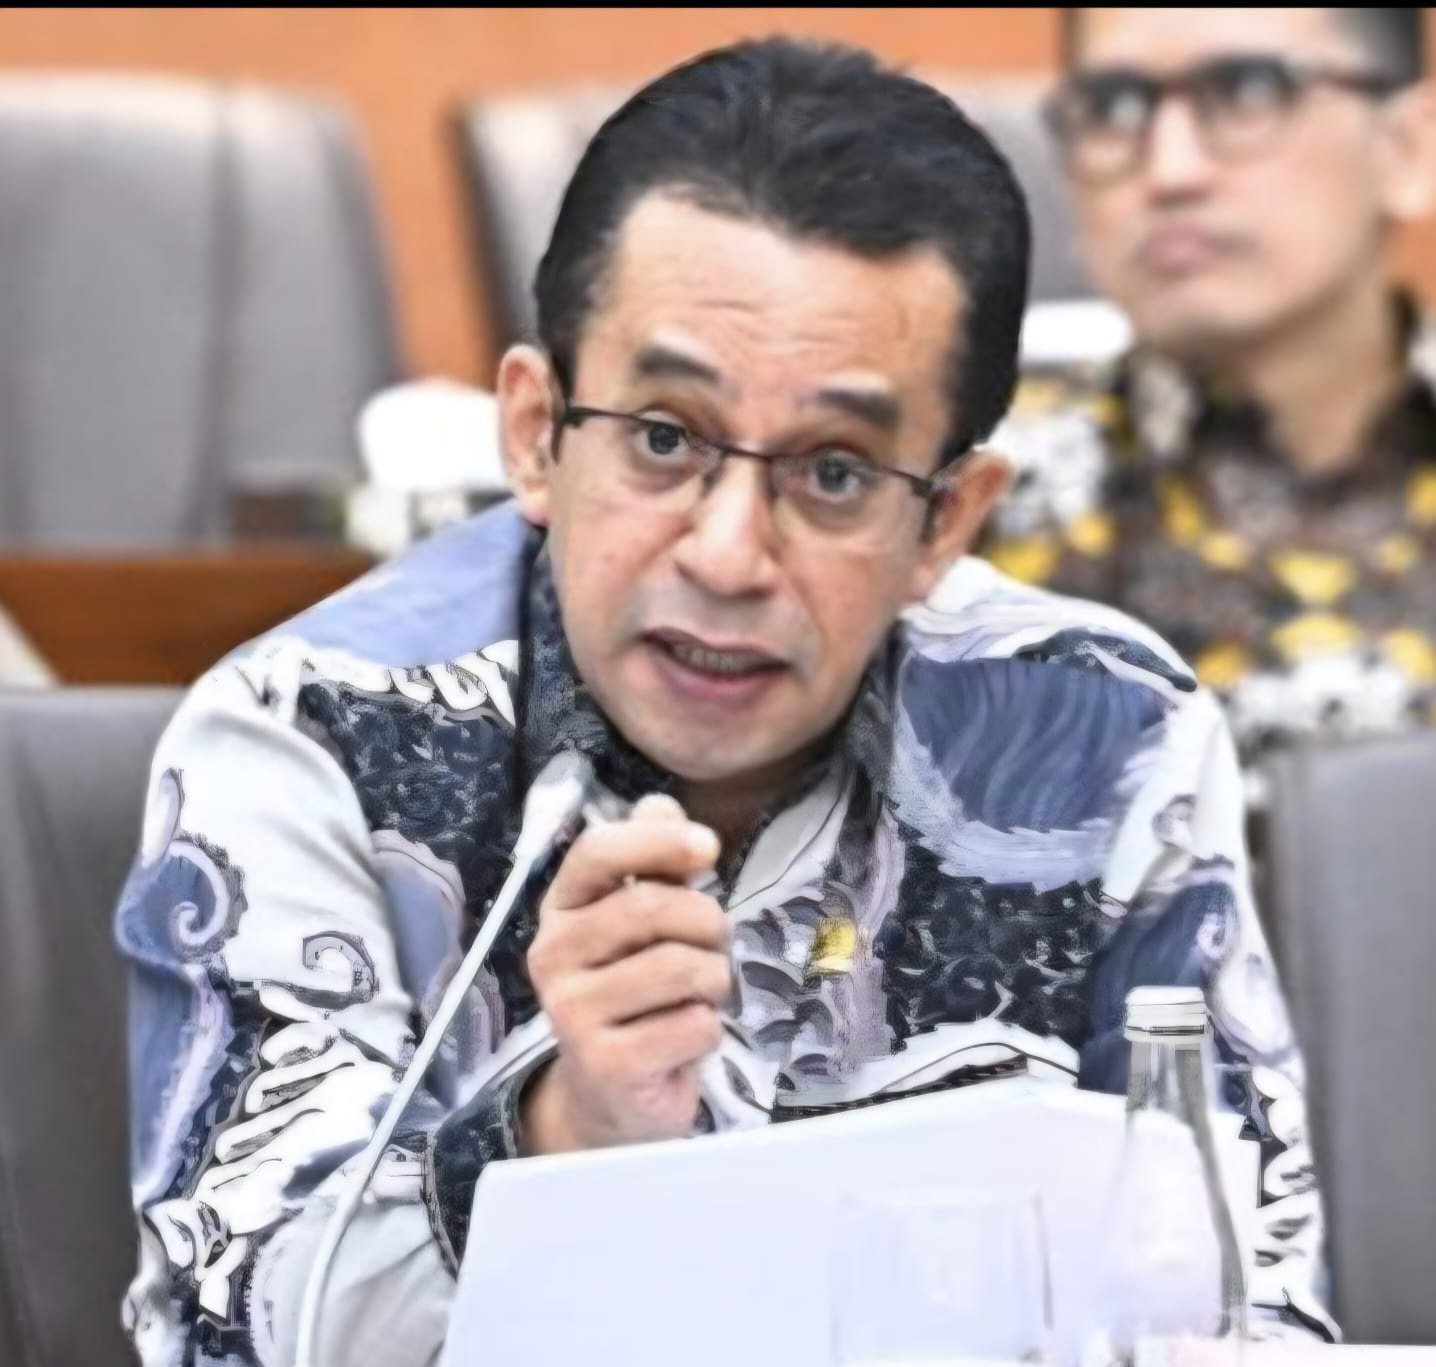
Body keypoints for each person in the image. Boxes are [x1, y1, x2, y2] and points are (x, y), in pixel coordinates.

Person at [115, 39, 1333, 1367]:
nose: (728, 553)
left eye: (834, 471)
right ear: (533, 431)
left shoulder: (1105, 735)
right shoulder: (314, 737)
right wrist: (557, 1132)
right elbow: (226, 1334)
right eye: (662, 438)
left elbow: (1246, 1310)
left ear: (947, 518)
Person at [982, 7, 1436, 769]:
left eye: (1248, 92)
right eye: (1114, 107)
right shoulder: (956, 501)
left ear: (1406, 148)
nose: (1170, 171)